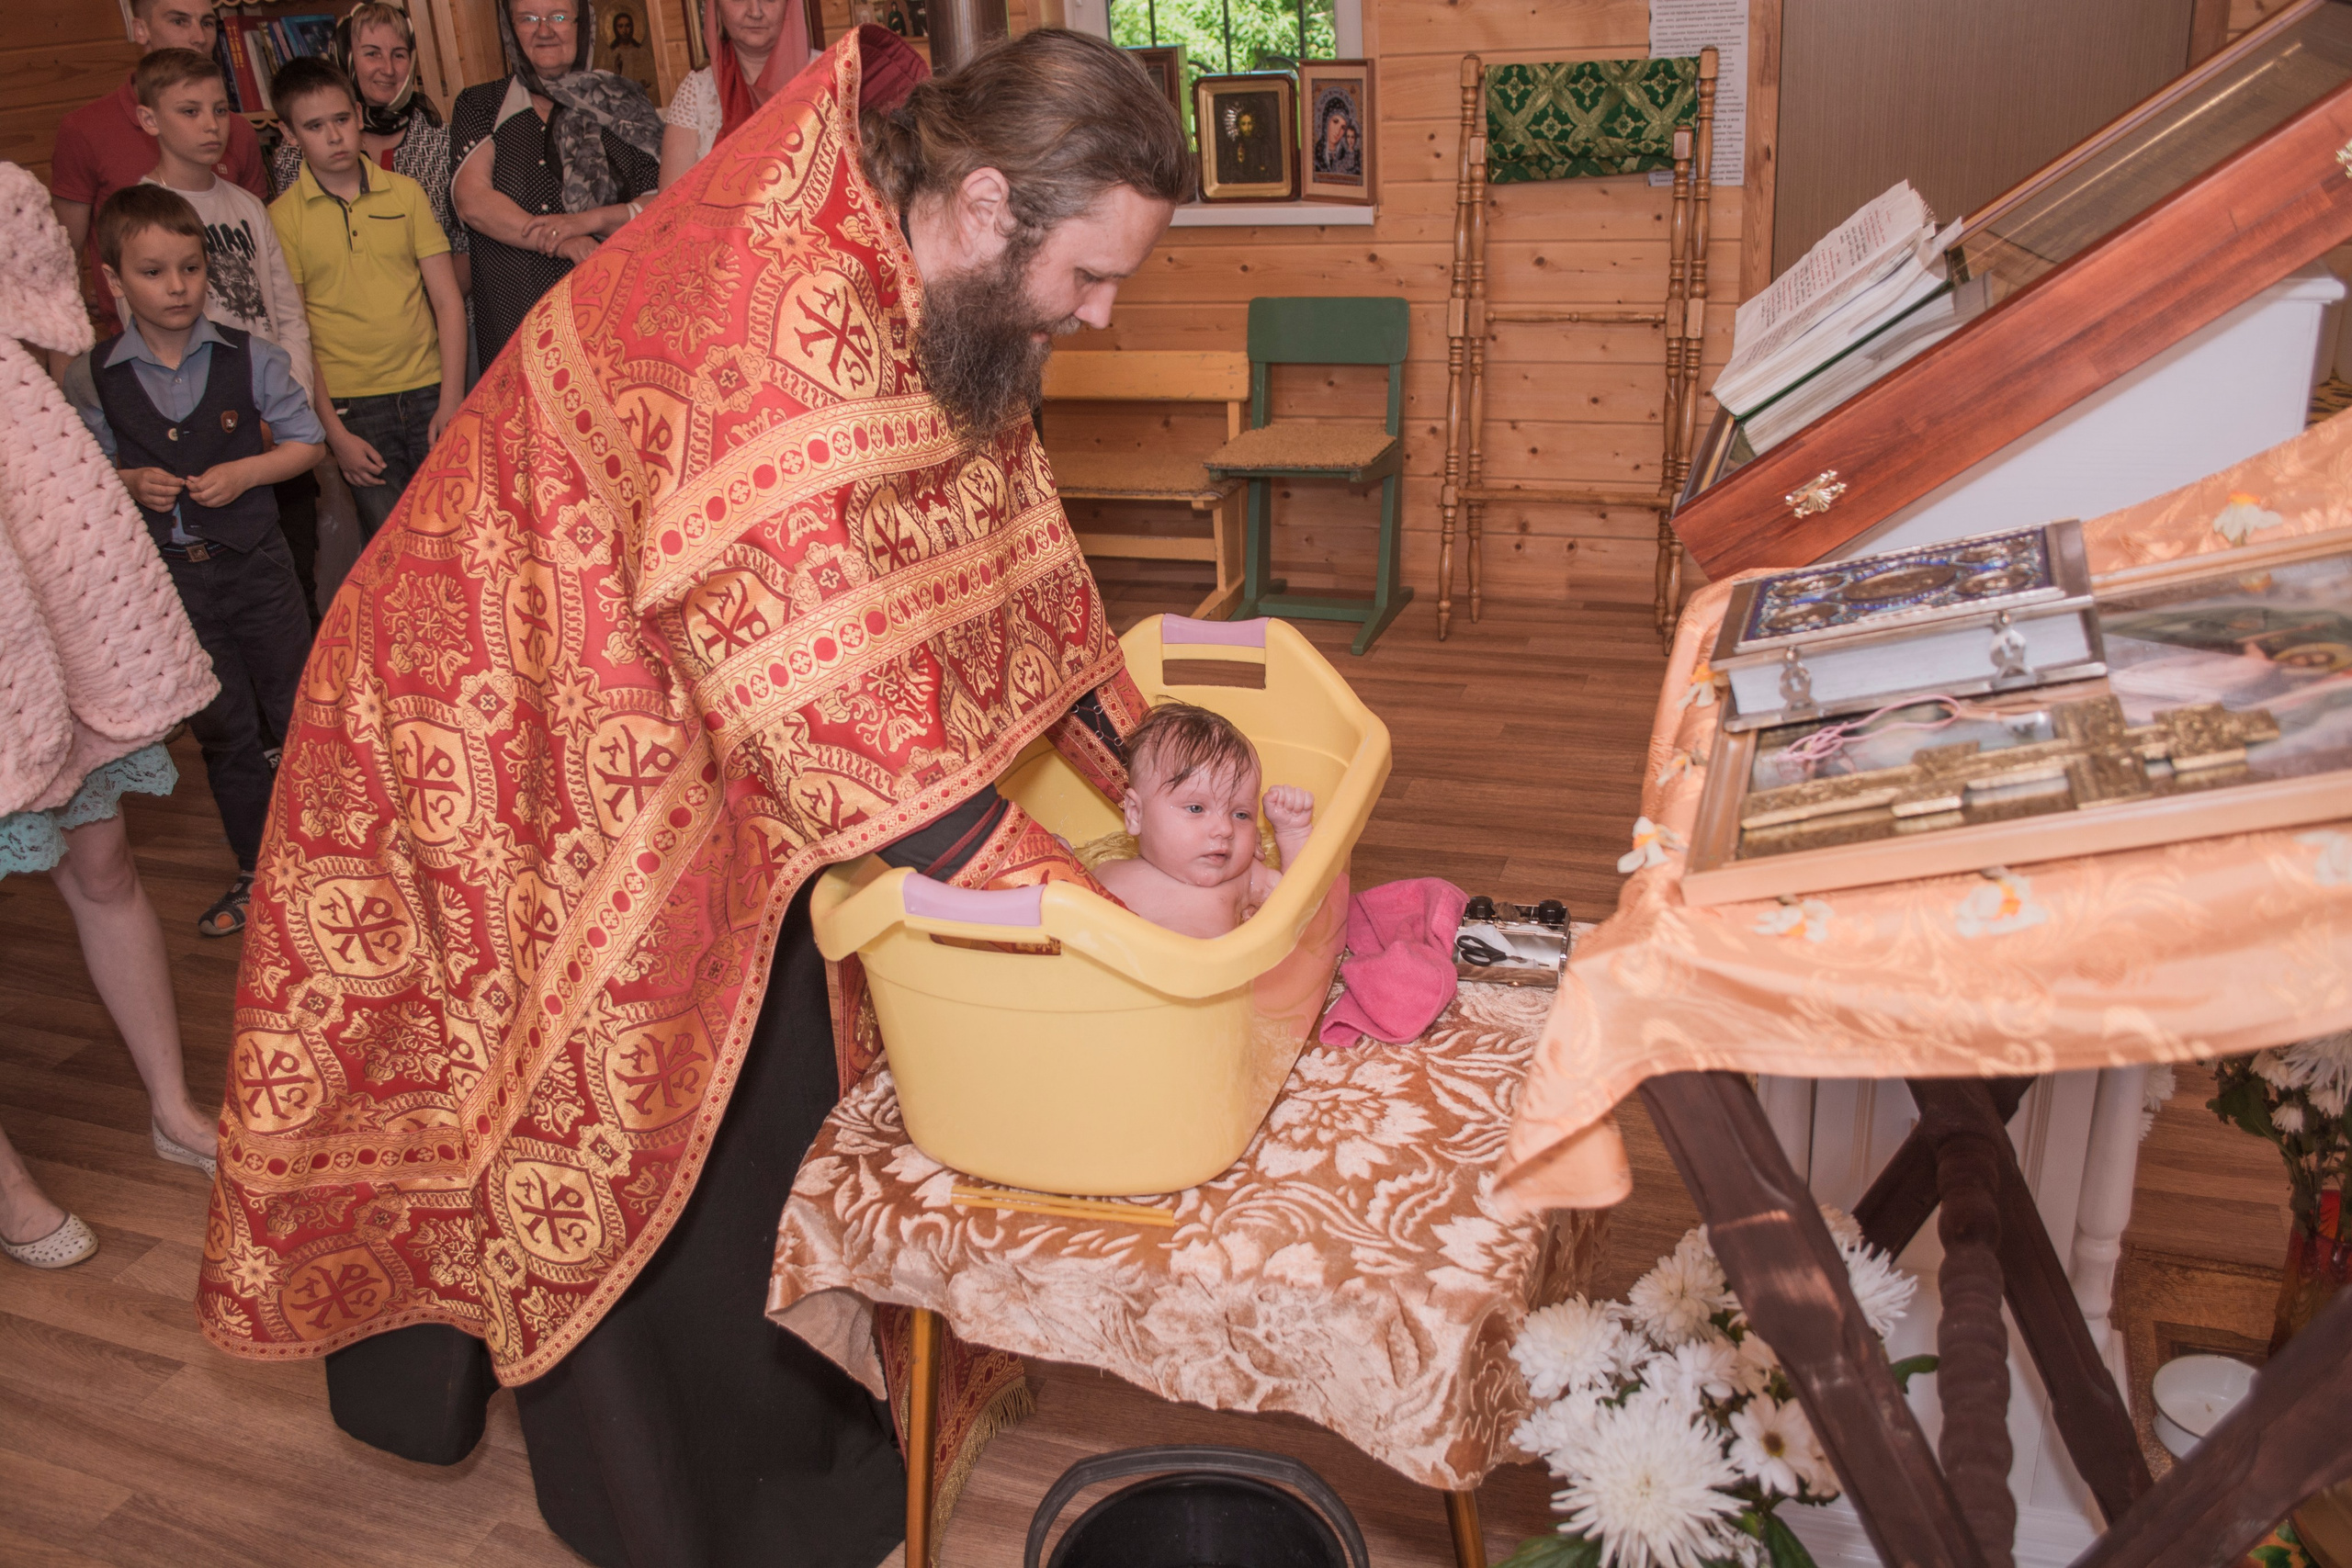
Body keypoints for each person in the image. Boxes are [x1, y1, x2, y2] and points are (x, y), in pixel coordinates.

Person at [197, 26, 1192, 1568]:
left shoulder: (943, 282)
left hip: (658, 694)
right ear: (992, 201)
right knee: (636, 1076)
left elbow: (1008, 557)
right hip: (492, 702)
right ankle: (698, 1514)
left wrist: (1158, 772)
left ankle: (796, 1443)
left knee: (770, 1041)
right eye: (1093, 275)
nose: (1104, 313)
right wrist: (1102, 912)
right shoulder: (783, 303)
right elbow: (833, 712)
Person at [0, 163, 225, 1269]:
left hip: (31, 577)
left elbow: (41, 305)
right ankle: (5, 1181)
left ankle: (173, 1107)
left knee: (104, 862)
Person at [64, 186, 324, 939]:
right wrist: (125, 483)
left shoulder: (254, 358)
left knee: (298, 710)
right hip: (174, 583)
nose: (177, 287)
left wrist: (247, 472)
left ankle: (338, 850)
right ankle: (258, 868)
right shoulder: (91, 377)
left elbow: (305, 442)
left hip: (258, 568)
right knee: (225, 731)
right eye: (153, 272)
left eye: (189, 268)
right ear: (115, 279)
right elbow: (76, 472)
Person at [134, 47, 325, 626]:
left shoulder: (245, 205)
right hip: (207, 435)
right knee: (233, 590)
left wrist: (286, 402)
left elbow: (286, 314)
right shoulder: (143, 213)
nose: (211, 125)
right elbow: (148, 339)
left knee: (295, 570)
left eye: (220, 110)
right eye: (190, 112)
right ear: (149, 120)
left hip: (272, 422)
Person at [269, 57, 466, 543]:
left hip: (428, 390)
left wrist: (452, 399)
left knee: (457, 532)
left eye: (340, 119)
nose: (333, 136)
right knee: (391, 546)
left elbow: (447, 302)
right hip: (353, 407)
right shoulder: (282, 219)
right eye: (314, 126)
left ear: (358, 115)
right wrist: (334, 434)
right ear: (289, 134)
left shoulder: (406, 194)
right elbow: (295, 333)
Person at [450, 0, 662, 364]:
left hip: (612, 326)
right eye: (528, 19)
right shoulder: (482, 104)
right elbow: (473, 201)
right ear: (510, 29)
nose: (544, 30)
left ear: (582, 25)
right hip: (516, 327)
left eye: (559, 17)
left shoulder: (623, 102)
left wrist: (588, 222)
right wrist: (563, 241)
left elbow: (661, 201)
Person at [50, 0, 270, 339]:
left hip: (244, 343)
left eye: (208, 23)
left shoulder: (236, 131)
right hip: (139, 345)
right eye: (179, 21)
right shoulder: (86, 129)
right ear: (140, 30)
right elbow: (61, 261)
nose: (198, 37)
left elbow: (260, 254)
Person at [267, 3, 469, 300]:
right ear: (346, 57)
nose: (388, 69)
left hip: (436, 319)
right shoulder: (296, 153)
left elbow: (466, 247)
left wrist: (415, 316)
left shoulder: (443, 140)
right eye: (372, 53)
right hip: (342, 327)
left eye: (398, 54)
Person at [1094, 702, 1315, 938]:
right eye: (1196, 808)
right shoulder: (1106, 873)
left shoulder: (1244, 877)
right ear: (1136, 814)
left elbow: (1301, 911)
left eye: (1241, 814)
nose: (1225, 828)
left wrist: (1294, 835)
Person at [658, 0, 813, 187]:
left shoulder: (830, 77)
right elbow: (671, 210)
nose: (755, 12)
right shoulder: (697, 93)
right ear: (715, 6)